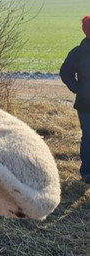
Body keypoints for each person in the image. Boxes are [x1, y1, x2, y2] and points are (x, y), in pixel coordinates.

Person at [60, 14, 90, 184]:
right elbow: (65, 72)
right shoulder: (78, 53)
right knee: (88, 138)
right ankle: (87, 173)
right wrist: (78, 88)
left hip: (85, 102)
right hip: (86, 105)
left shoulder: (77, 52)